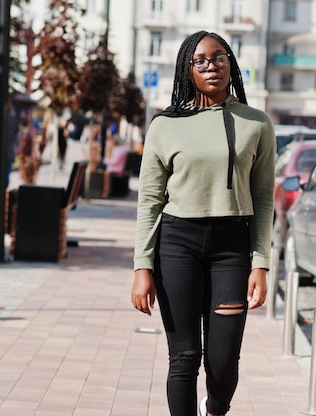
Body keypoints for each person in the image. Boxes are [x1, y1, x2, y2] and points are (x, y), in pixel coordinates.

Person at [131, 31, 276, 416]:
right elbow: (150, 201)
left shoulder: (256, 123)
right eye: (201, 61)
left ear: (232, 64)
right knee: (184, 358)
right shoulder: (165, 125)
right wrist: (142, 267)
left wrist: (260, 262)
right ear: (187, 69)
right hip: (177, 243)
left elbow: (263, 199)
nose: (212, 66)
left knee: (224, 360)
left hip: (232, 245)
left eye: (220, 57)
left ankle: (214, 410)